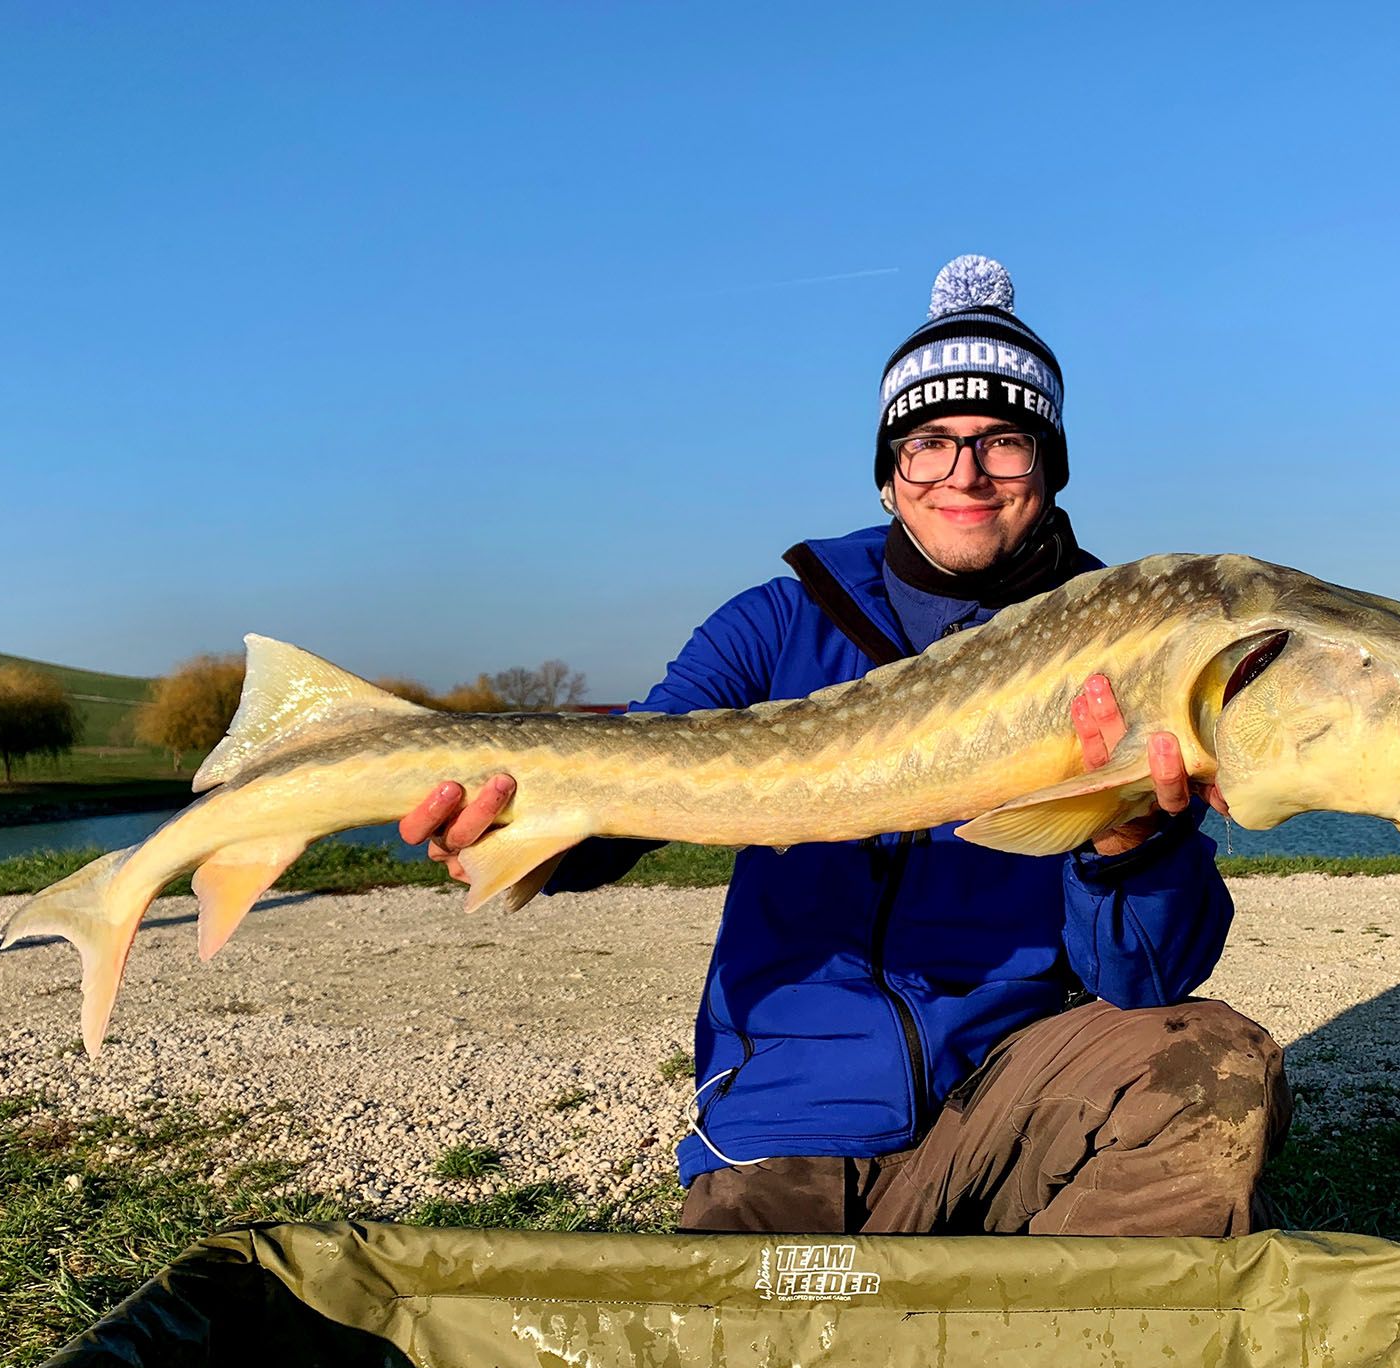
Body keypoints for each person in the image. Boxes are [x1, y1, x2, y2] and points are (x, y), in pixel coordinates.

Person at [402, 256, 1291, 1236]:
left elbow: (1144, 982)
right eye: (929, 442)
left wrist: (1127, 834)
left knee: (1215, 1066)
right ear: (888, 471)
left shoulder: (1126, 643)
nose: (965, 472)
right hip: (793, 1116)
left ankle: (1061, 1349)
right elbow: (636, 779)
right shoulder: (772, 627)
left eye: (1004, 441)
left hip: (1011, 1092)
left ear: (1048, 467)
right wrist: (512, 827)